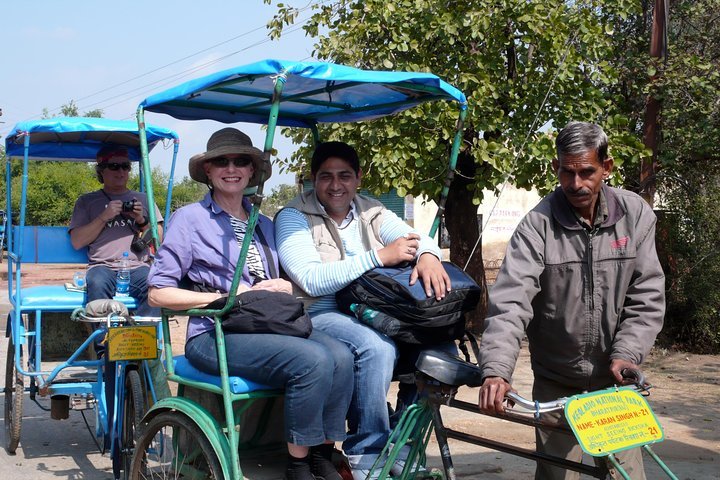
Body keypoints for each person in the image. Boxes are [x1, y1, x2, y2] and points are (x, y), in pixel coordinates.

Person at [147, 128, 353, 480]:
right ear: (208, 171)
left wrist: (284, 285)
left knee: (342, 356)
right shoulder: (190, 219)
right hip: (215, 334)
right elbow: (158, 292)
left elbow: (294, 279)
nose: (232, 168)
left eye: (241, 161)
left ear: (252, 171)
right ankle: (298, 465)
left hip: (270, 327)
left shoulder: (264, 223)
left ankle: (322, 453)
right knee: (313, 359)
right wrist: (227, 297)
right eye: (222, 162)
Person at [477, 121, 665, 479]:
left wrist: (627, 353)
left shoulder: (634, 215)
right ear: (556, 168)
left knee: (624, 474)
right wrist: (497, 371)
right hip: (556, 382)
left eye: (586, 172)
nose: (576, 183)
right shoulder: (537, 226)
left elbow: (647, 295)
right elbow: (511, 302)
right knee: (555, 474)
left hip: (615, 383)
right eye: (567, 172)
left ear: (606, 168)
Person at [275, 141, 451, 480]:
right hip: (319, 313)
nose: (335, 185)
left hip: (372, 311)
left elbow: (416, 239)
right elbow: (311, 280)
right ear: (313, 179)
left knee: (439, 346)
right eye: (326, 177)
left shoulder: (371, 211)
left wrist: (428, 255)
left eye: (344, 175)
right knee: (376, 347)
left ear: (358, 178)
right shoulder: (293, 216)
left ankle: (402, 440)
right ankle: (366, 449)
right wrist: (379, 257)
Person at [69, 144, 162, 316]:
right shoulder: (87, 201)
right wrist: (104, 217)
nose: (121, 172)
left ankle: (141, 339)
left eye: (125, 166)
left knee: (155, 286)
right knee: (97, 283)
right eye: (114, 166)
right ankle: (103, 341)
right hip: (102, 267)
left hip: (137, 267)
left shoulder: (144, 199)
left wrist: (141, 219)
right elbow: (77, 242)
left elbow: (159, 240)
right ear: (101, 171)